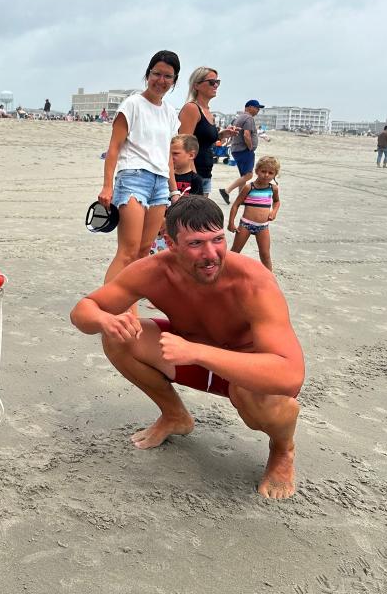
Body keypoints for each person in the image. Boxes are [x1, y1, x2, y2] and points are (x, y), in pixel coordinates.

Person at [70, 196, 304, 499]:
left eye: (217, 240)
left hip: (245, 374)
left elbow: (290, 376)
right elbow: (82, 311)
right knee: (117, 338)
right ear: (170, 242)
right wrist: (104, 320)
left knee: (261, 397)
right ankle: (175, 416)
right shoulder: (153, 270)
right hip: (186, 353)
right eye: (196, 244)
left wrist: (197, 353)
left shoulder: (252, 281)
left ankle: (283, 450)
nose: (211, 255)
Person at [98, 50, 182, 289]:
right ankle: (107, 306)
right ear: (148, 75)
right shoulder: (132, 104)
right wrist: (107, 185)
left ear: (174, 81)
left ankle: (129, 308)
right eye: (157, 74)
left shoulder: (169, 112)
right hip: (133, 178)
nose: (161, 80)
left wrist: (173, 191)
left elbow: (166, 154)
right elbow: (114, 148)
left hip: (160, 184)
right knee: (128, 251)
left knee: (144, 252)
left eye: (168, 76)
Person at [178, 67, 238, 196]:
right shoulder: (192, 108)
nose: (216, 85)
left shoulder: (208, 112)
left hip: (206, 174)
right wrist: (193, 177)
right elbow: (183, 145)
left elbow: (202, 141)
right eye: (211, 82)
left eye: (218, 82)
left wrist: (221, 135)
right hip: (192, 174)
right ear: (197, 85)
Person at [227, 156, 280, 271]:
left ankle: (270, 280)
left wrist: (274, 212)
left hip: (263, 227)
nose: (266, 175)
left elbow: (276, 202)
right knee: (235, 252)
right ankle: (225, 273)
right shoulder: (249, 187)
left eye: (270, 173)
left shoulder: (273, 189)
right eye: (263, 171)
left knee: (265, 255)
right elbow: (236, 205)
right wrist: (231, 223)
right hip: (245, 225)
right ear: (257, 171)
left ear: (275, 174)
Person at [219, 100, 263, 204]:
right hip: (244, 150)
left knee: (243, 175)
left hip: (236, 149)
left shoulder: (239, 118)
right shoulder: (248, 118)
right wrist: (250, 148)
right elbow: (246, 135)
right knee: (248, 175)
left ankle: (241, 198)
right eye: (256, 108)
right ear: (249, 107)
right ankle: (226, 190)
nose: (258, 110)